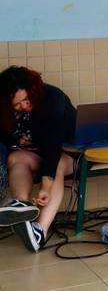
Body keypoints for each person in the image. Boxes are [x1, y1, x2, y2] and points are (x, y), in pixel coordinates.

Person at [0, 66, 76, 252]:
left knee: (57, 164)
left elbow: (52, 147)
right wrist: (16, 141)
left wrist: (45, 187)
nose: (24, 106)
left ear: (32, 90)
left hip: (69, 154)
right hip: (36, 154)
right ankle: (21, 208)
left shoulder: (52, 98)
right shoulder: (3, 109)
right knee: (15, 158)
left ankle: (40, 230)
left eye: (26, 100)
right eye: (17, 105)